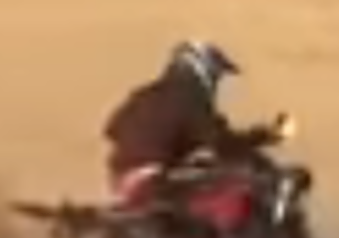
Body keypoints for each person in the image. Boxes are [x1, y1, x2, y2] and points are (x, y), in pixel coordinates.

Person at [101, 40, 289, 227]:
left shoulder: (143, 94)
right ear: (202, 70)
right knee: (235, 192)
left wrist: (177, 149)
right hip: (155, 182)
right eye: (216, 76)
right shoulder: (191, 96)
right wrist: (265, 136)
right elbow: (220, 142)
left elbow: (112, 129)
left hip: (121, 181)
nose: (216, 82)